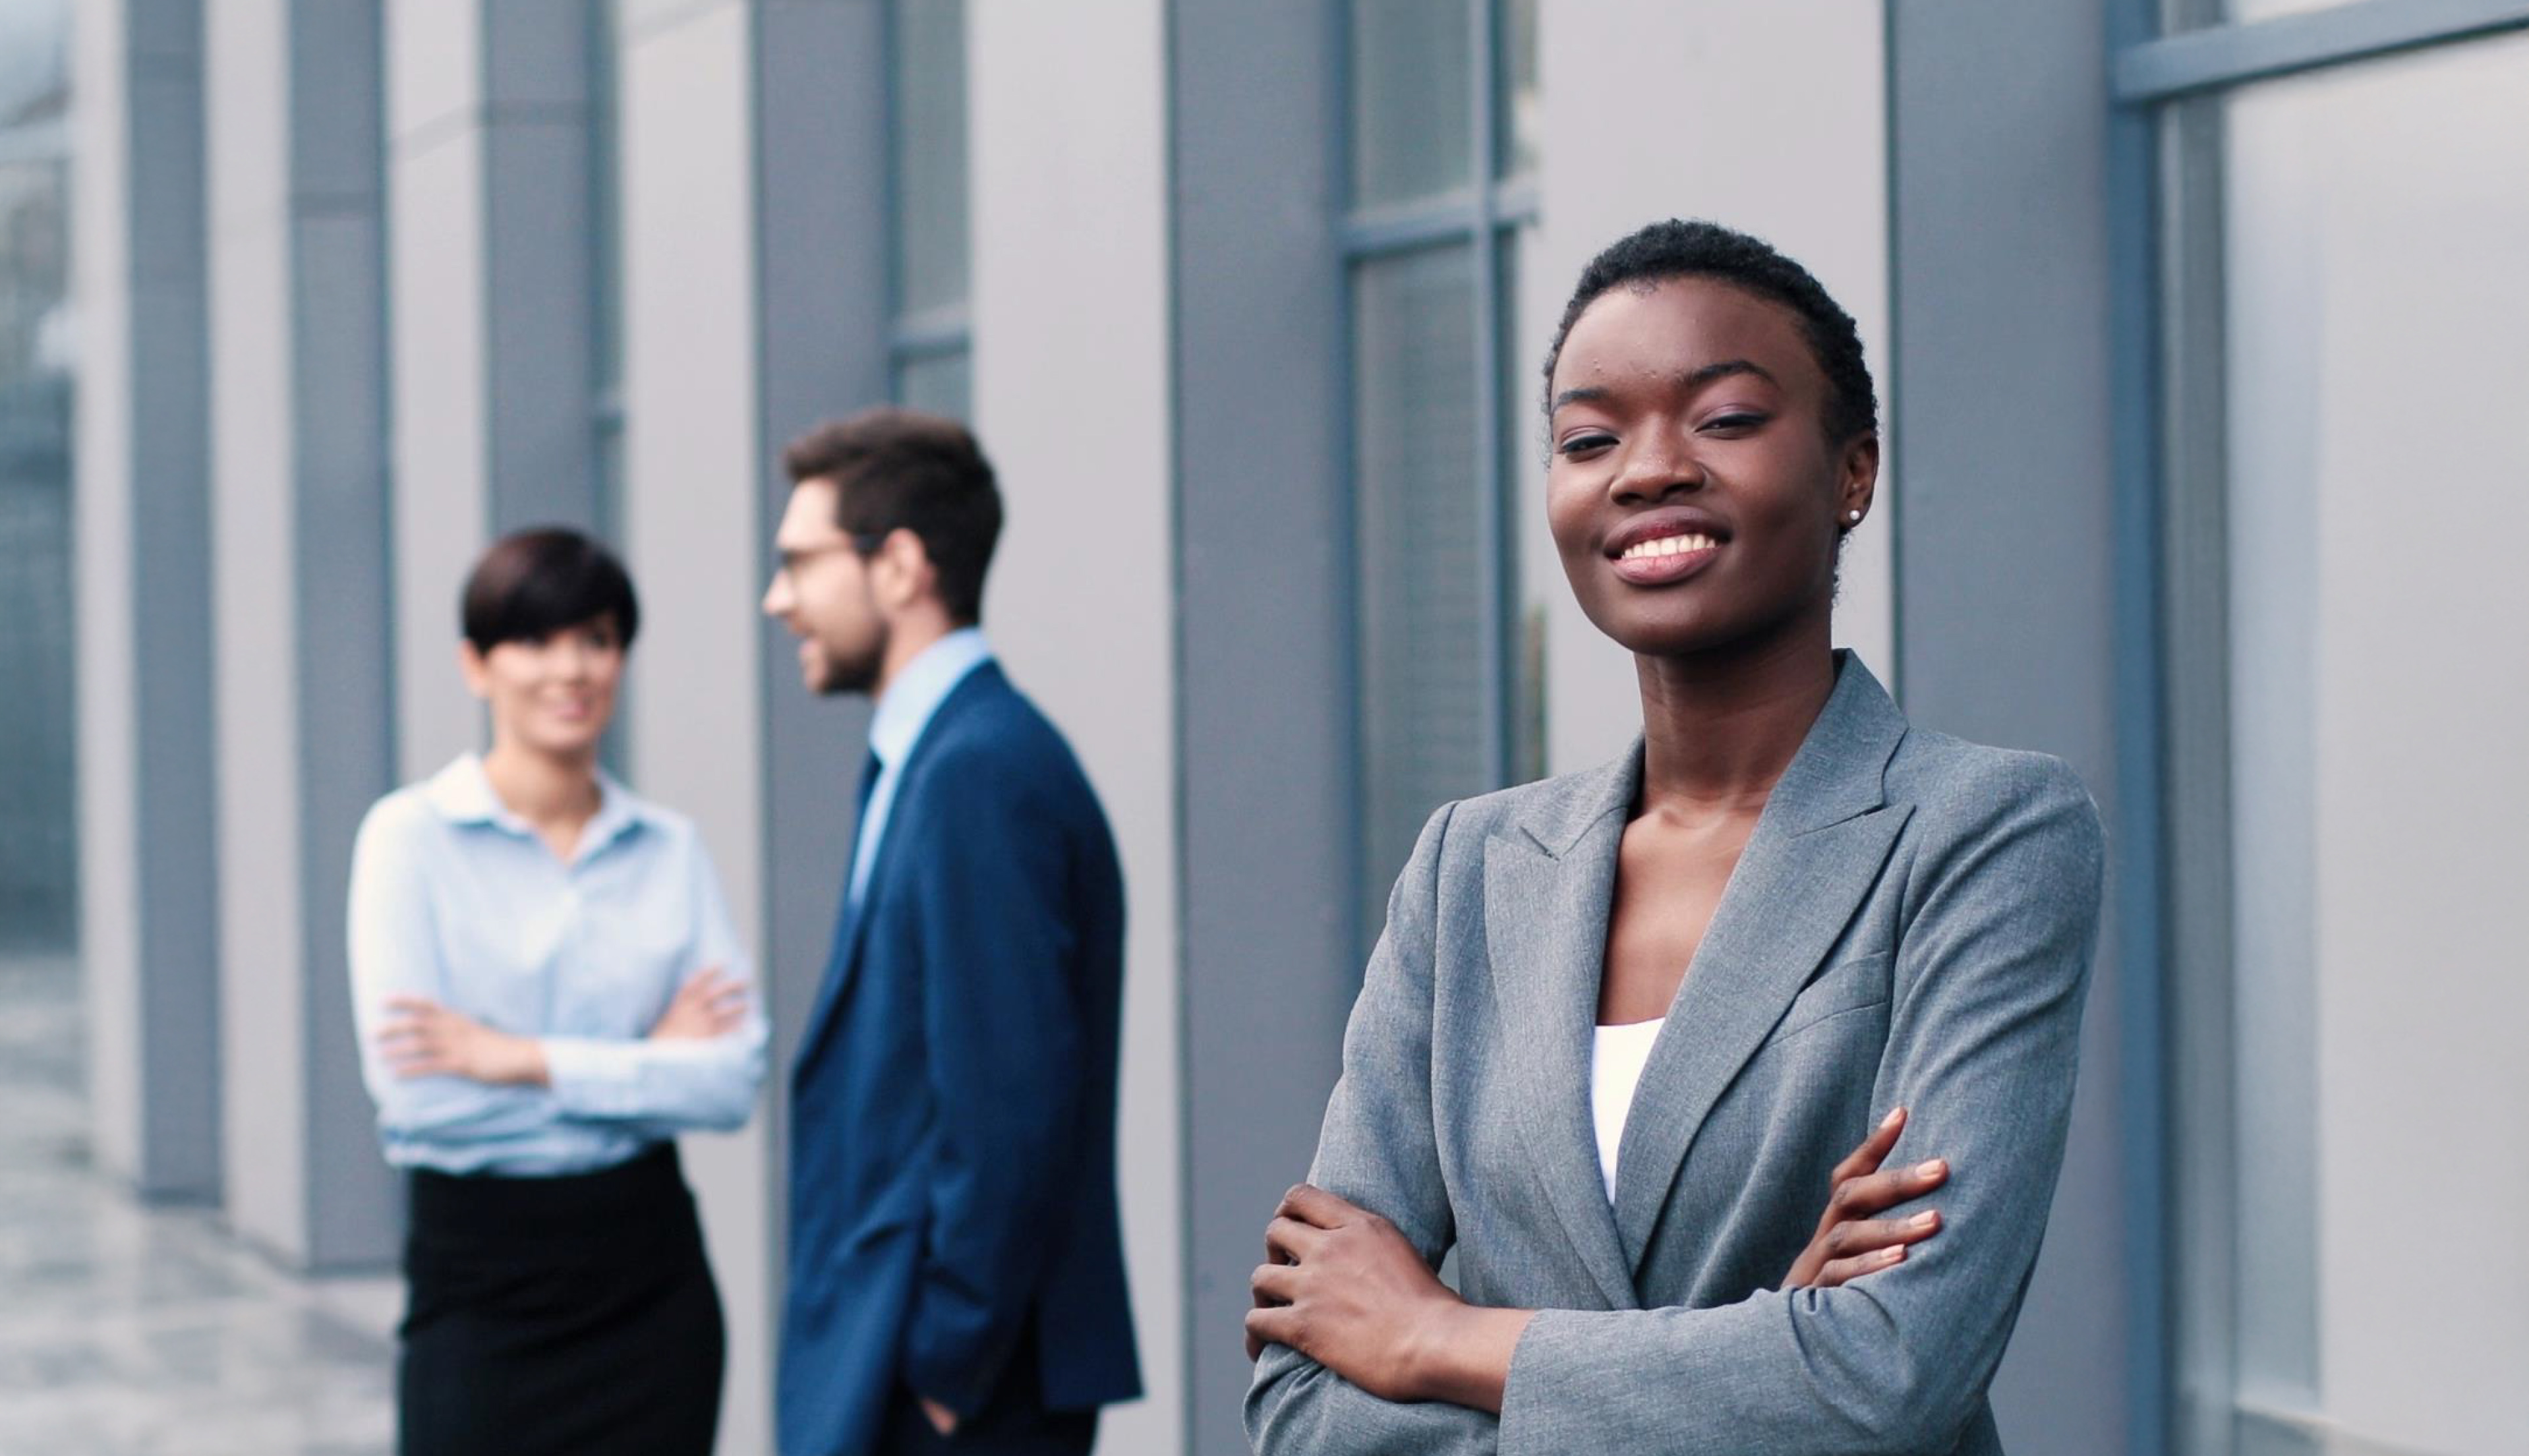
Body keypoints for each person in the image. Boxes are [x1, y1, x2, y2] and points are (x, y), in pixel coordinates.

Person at [1244, 220, 2106, 1455]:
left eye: (1725, 419)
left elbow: (1891, 1370)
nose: (1646, 470)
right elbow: (1300, 1405)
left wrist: (1437, 1338)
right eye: (1589, 439)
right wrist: (1763, 1349)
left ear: (1853, 471)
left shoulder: (1979, 834)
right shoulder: (1470, 869)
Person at [766, 409, 1141, 1456]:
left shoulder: (979, 771)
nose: (778, 598)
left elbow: (1010, 1102)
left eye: (800, 562)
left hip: (964, 1393)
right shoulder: (932, 758)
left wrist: (945, 1368)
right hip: (919, 1369)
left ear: (900, 567)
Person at [347, 527, 767, 1456]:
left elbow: (732, 1080)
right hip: (482, 1288)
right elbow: (425, 1099)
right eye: (535, 641)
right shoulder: (409, 842)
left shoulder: (671, 851)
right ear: (475, 665)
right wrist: (646, 1064)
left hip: (650, 1292)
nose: (571, 670)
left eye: (598, 639)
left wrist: (519, 1059)